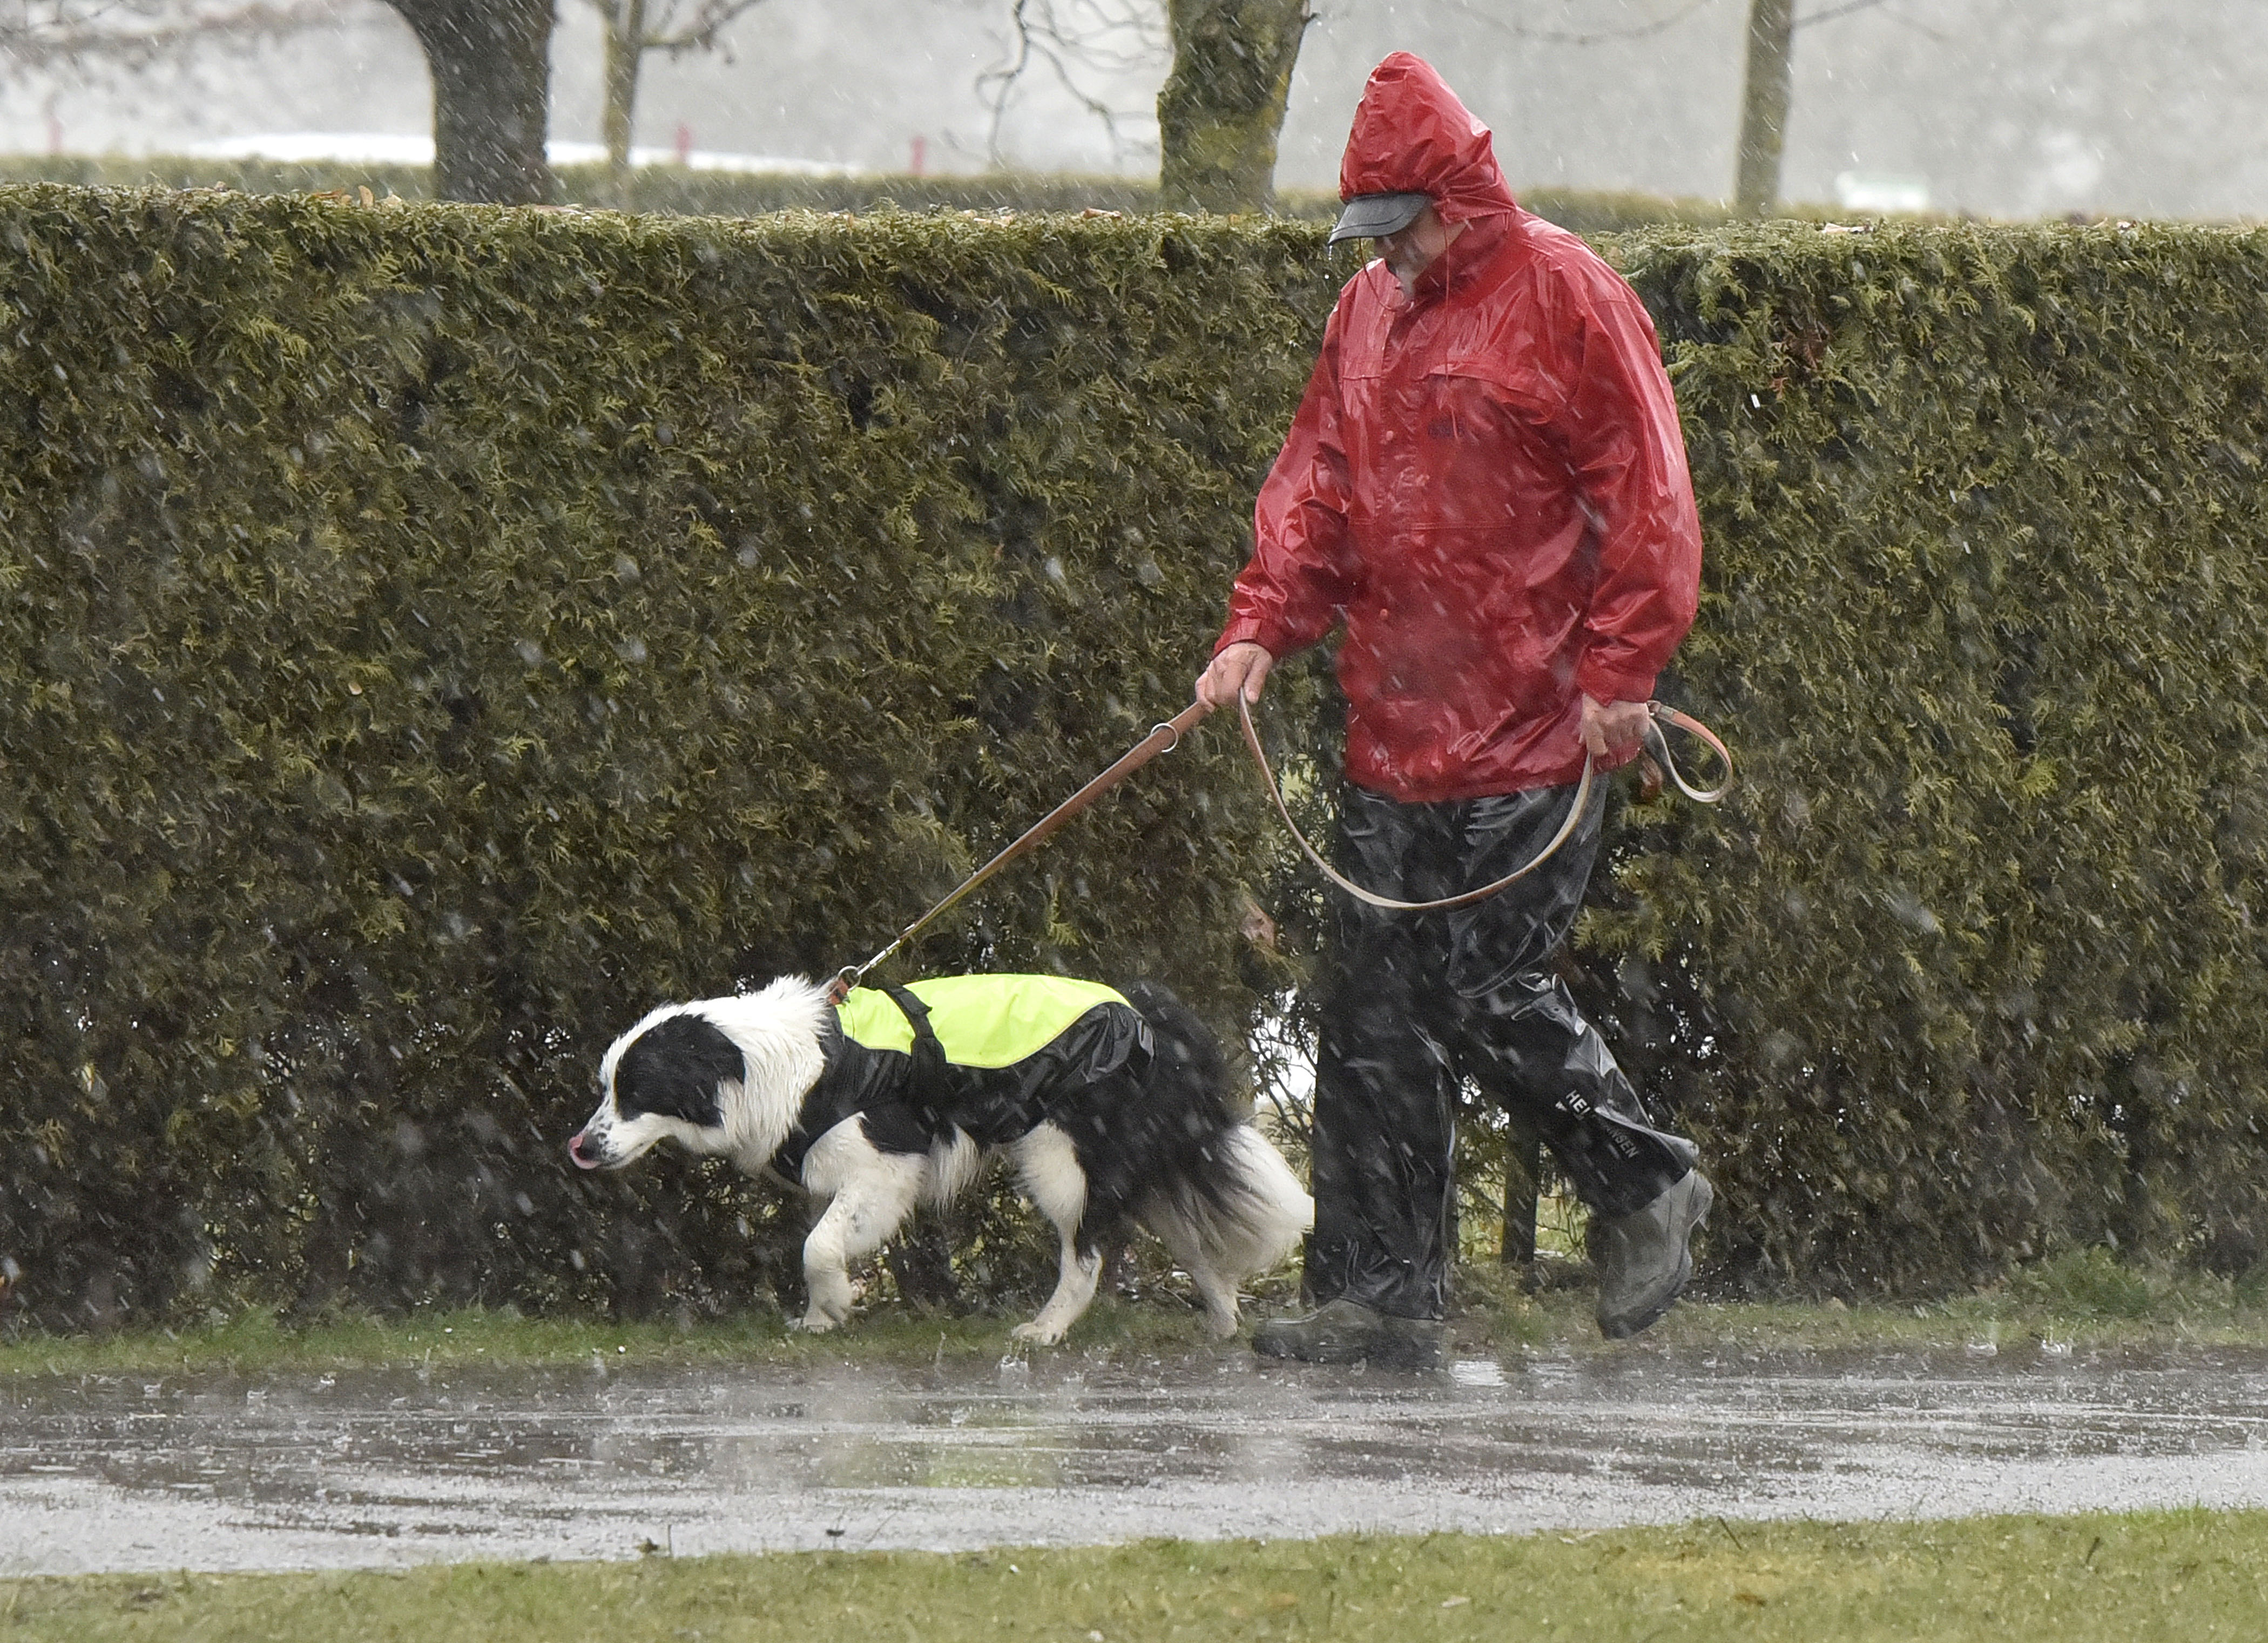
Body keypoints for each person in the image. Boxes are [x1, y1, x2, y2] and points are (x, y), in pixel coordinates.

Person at [1195, 51, 1711, 1367]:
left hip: (1535, 732)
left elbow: (1649, 495)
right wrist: (1259, 625)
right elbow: (1317, 486)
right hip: (1394, 730)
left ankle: (1648, 1183)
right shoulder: (1365, 312)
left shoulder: (1567, 294)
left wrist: (1620, 678)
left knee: (1487, 988)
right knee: (1374, 1019)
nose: (1388, 253)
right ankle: (1379, 1298)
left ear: (1457, 199)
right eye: (1373, 231)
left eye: (1402, 227)